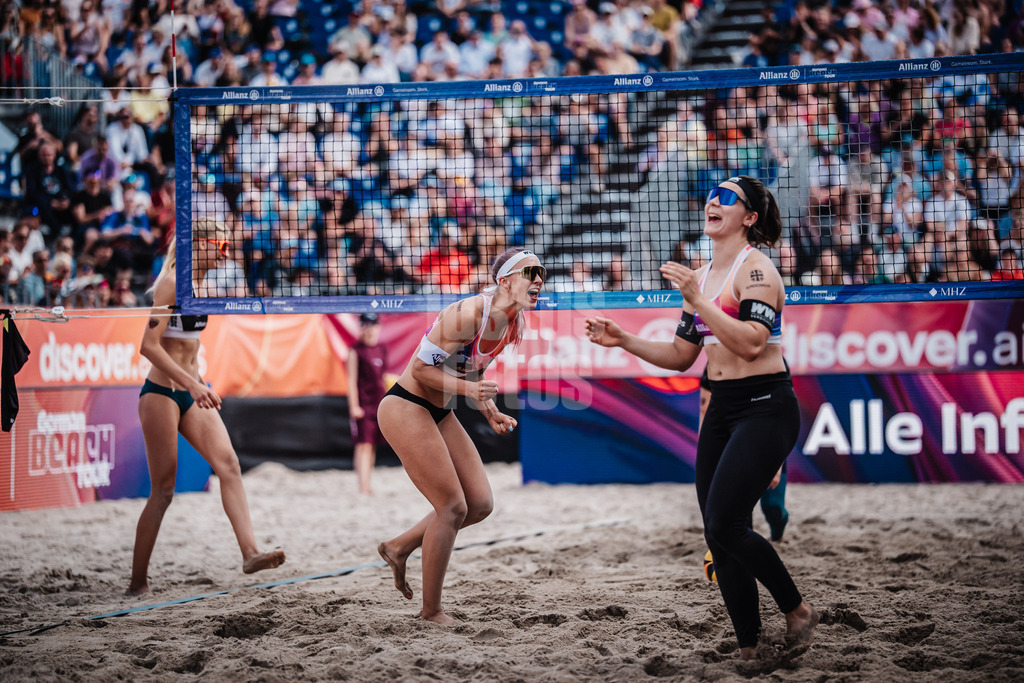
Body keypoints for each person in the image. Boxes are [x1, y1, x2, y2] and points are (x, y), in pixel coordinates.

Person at [585, 176, 818, 664]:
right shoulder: (703, 275)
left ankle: (797, 610)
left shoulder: (757, 271)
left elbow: (753, 342)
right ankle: (750, 645)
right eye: (713, 194)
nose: (714, 201)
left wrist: (699, 298)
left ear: (749, 218)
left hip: (766, 404)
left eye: (728, 197)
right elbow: (679, 355)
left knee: (727, 522)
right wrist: (623, 338)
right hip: (724, 406)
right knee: (717, 532)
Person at [376, 246, 543, 625]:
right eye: (529, 272)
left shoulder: (512, 321)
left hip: (439, 410)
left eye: (541, 273)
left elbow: (470, 372)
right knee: (452, 507)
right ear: (504, 281)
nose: (537, 280)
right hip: (405, 405)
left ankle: (399, 546)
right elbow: (420, 370)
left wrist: (491, 411)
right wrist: (471, 394)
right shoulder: (469, 313)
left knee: (480, 503)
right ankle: (431, 613)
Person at [128, 217, 285, 595]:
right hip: (162, 393)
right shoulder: (169, 284)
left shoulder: (201, 286)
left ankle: (250, 552)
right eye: (222, 246)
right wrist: (194, 384)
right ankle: (137, 582)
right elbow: (148, 347)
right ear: (198, 243)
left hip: (192, 389)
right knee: (163, 491)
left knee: (229, 465)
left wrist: (197, 383)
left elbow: (189, 349)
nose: (226, 253)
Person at [699, 368, 788, 542]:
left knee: (773, 507)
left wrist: (778, 464)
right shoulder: (714, 364)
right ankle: (742, 551)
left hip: (768, 441)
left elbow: (784, 414)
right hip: (734, 445)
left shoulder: (772, 362)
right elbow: (704, 410)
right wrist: (705, 449)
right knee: (739, 510)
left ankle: (777, 532)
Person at [348, 312, 388, 496]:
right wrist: (354, 406)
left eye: (372, 324)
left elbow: (383, 378)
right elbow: (351, 381)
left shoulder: (382, 348)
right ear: (361, 327)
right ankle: (362, 487)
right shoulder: (356, 351)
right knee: (363, 445)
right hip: (363, 404)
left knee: (371, 446)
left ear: (378, 326)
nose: (369, 328)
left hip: (379, 403)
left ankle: (367, 484)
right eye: (366, 325)